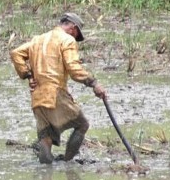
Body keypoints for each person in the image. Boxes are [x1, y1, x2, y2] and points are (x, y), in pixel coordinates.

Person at [10, 12, 107, 164]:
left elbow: (16, 53)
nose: (75, 38)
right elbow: (74, 69)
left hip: (37, 96)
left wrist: (28, 75)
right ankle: (67, 163)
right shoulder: (67, 40)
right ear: (73, 29)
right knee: (82, 124)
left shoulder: (38, 40)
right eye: (76, 35)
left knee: (45, 139)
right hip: (55, 94)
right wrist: (93, 83)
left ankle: (46, 179)